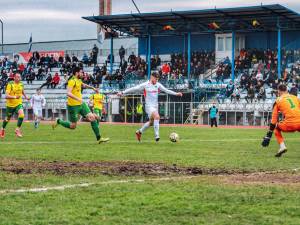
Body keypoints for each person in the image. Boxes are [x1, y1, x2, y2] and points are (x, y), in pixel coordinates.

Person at [117, 72, 183, 142]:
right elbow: (134, 88)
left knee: (151, 122)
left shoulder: (158, 85)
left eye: (157, 79)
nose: (156, 81)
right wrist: (122, 92)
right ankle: (157, 136)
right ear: (152, 77)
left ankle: (139, 132)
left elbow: (166, 90)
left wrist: (176, 94)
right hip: (149, 106)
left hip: (155, 106)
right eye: (155, 79)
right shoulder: (145, 85)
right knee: (157, 117)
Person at [52, 67, 109, 144]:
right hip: (73, 107)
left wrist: (93, 88)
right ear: (77, 73)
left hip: (81, 104)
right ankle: (59, 121)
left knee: (92, 118)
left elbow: (83, 85)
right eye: (81, 72)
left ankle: (99, 138)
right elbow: (68, 93)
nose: (83, 74)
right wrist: (78, 99)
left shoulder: (78, 80)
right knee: (73, 126)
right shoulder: (72, 81)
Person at [261, 84, 300, 157]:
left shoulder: (278, 100)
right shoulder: (295, 98)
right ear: (287, 90)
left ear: (279, 91)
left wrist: (268, 136)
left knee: (276, 128)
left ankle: (282, 147)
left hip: (290, 124)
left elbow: (273, 120)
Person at [0, 73, 30, 138]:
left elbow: (22, 91)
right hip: (10, 105)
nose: (19, 78)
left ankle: (17, 129)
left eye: (20, 77)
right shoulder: (10, 84)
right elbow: (6, 96)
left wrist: (26, 97)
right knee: (7, 119)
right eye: (18, 77)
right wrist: (15, 97)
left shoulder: (21, 84)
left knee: (22, 114)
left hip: (18, 103)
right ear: (14, 78)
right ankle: (2, 128)